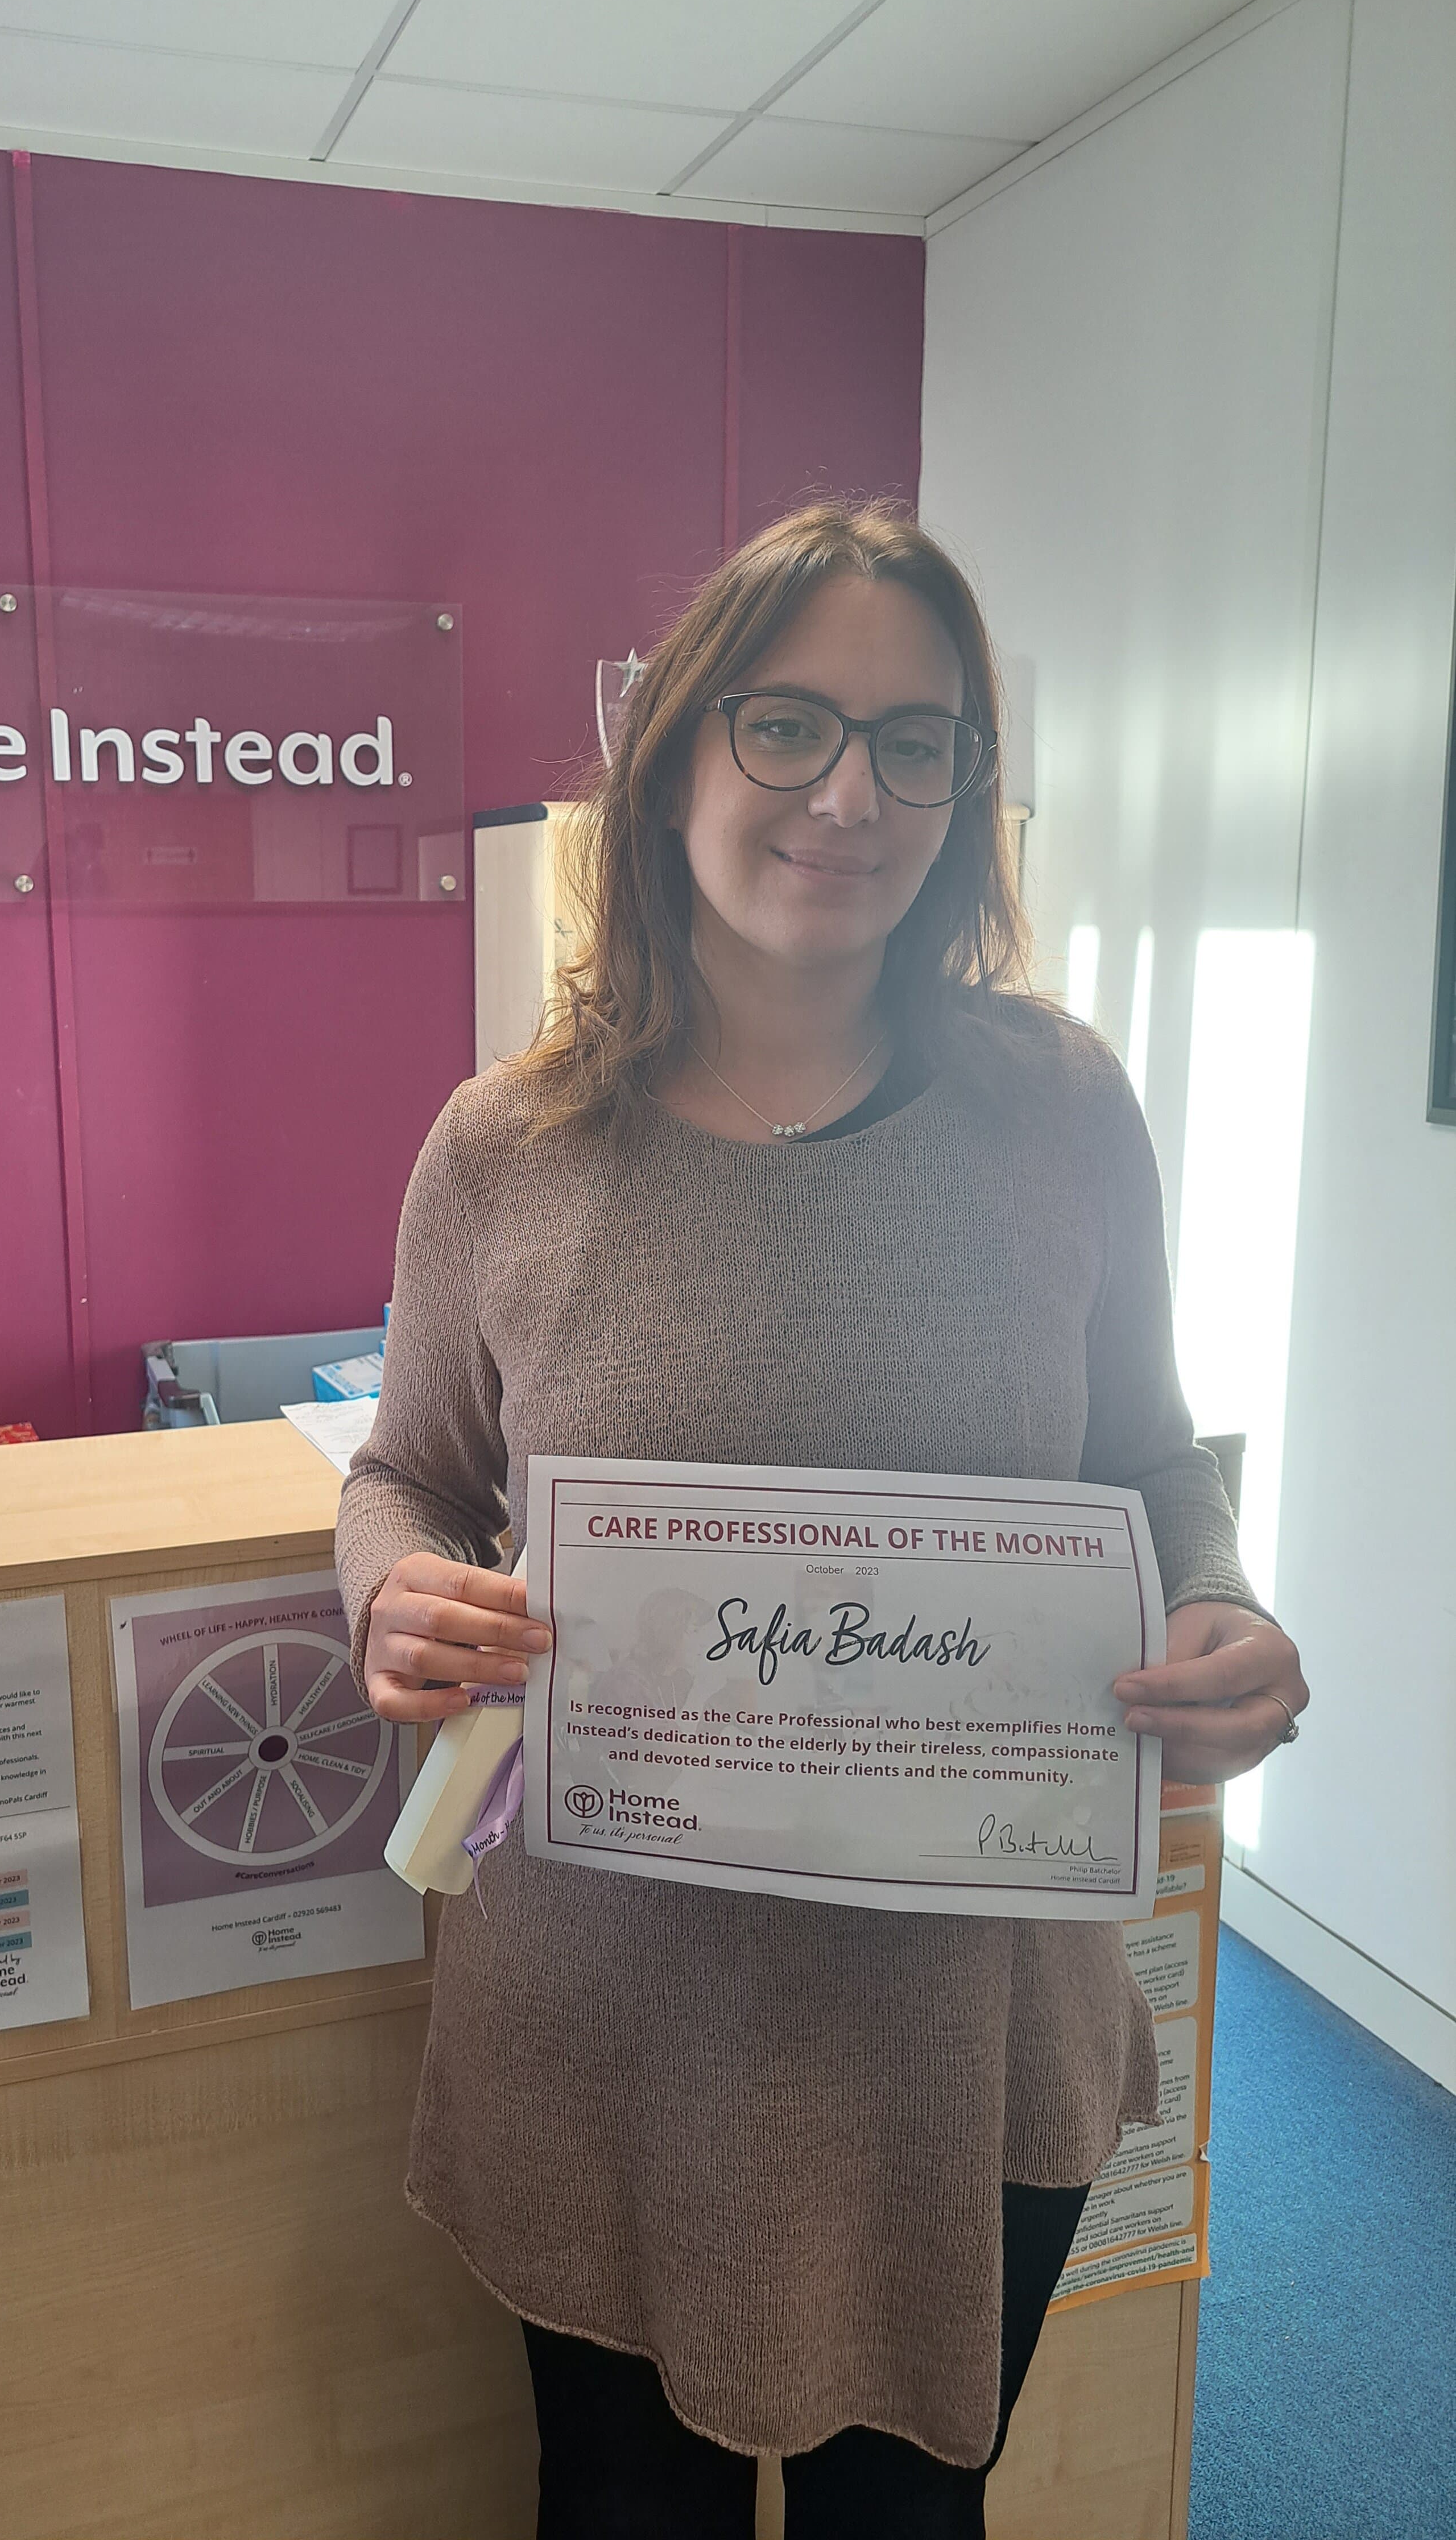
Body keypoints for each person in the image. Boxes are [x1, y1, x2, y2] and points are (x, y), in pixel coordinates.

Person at [335, 502, 1306, 2540]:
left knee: (908, 2522)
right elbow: (407, 1472)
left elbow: (1147, 1452)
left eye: (917, 740)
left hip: (957, 2019)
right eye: (786, 728)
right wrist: (392, 1599)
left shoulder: (1060, 1108)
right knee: (622, 2519)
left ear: (967, 793)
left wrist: (1212, 1599)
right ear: (676, 754)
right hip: (608, 2008)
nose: (851, 794)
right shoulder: (505, 1145)